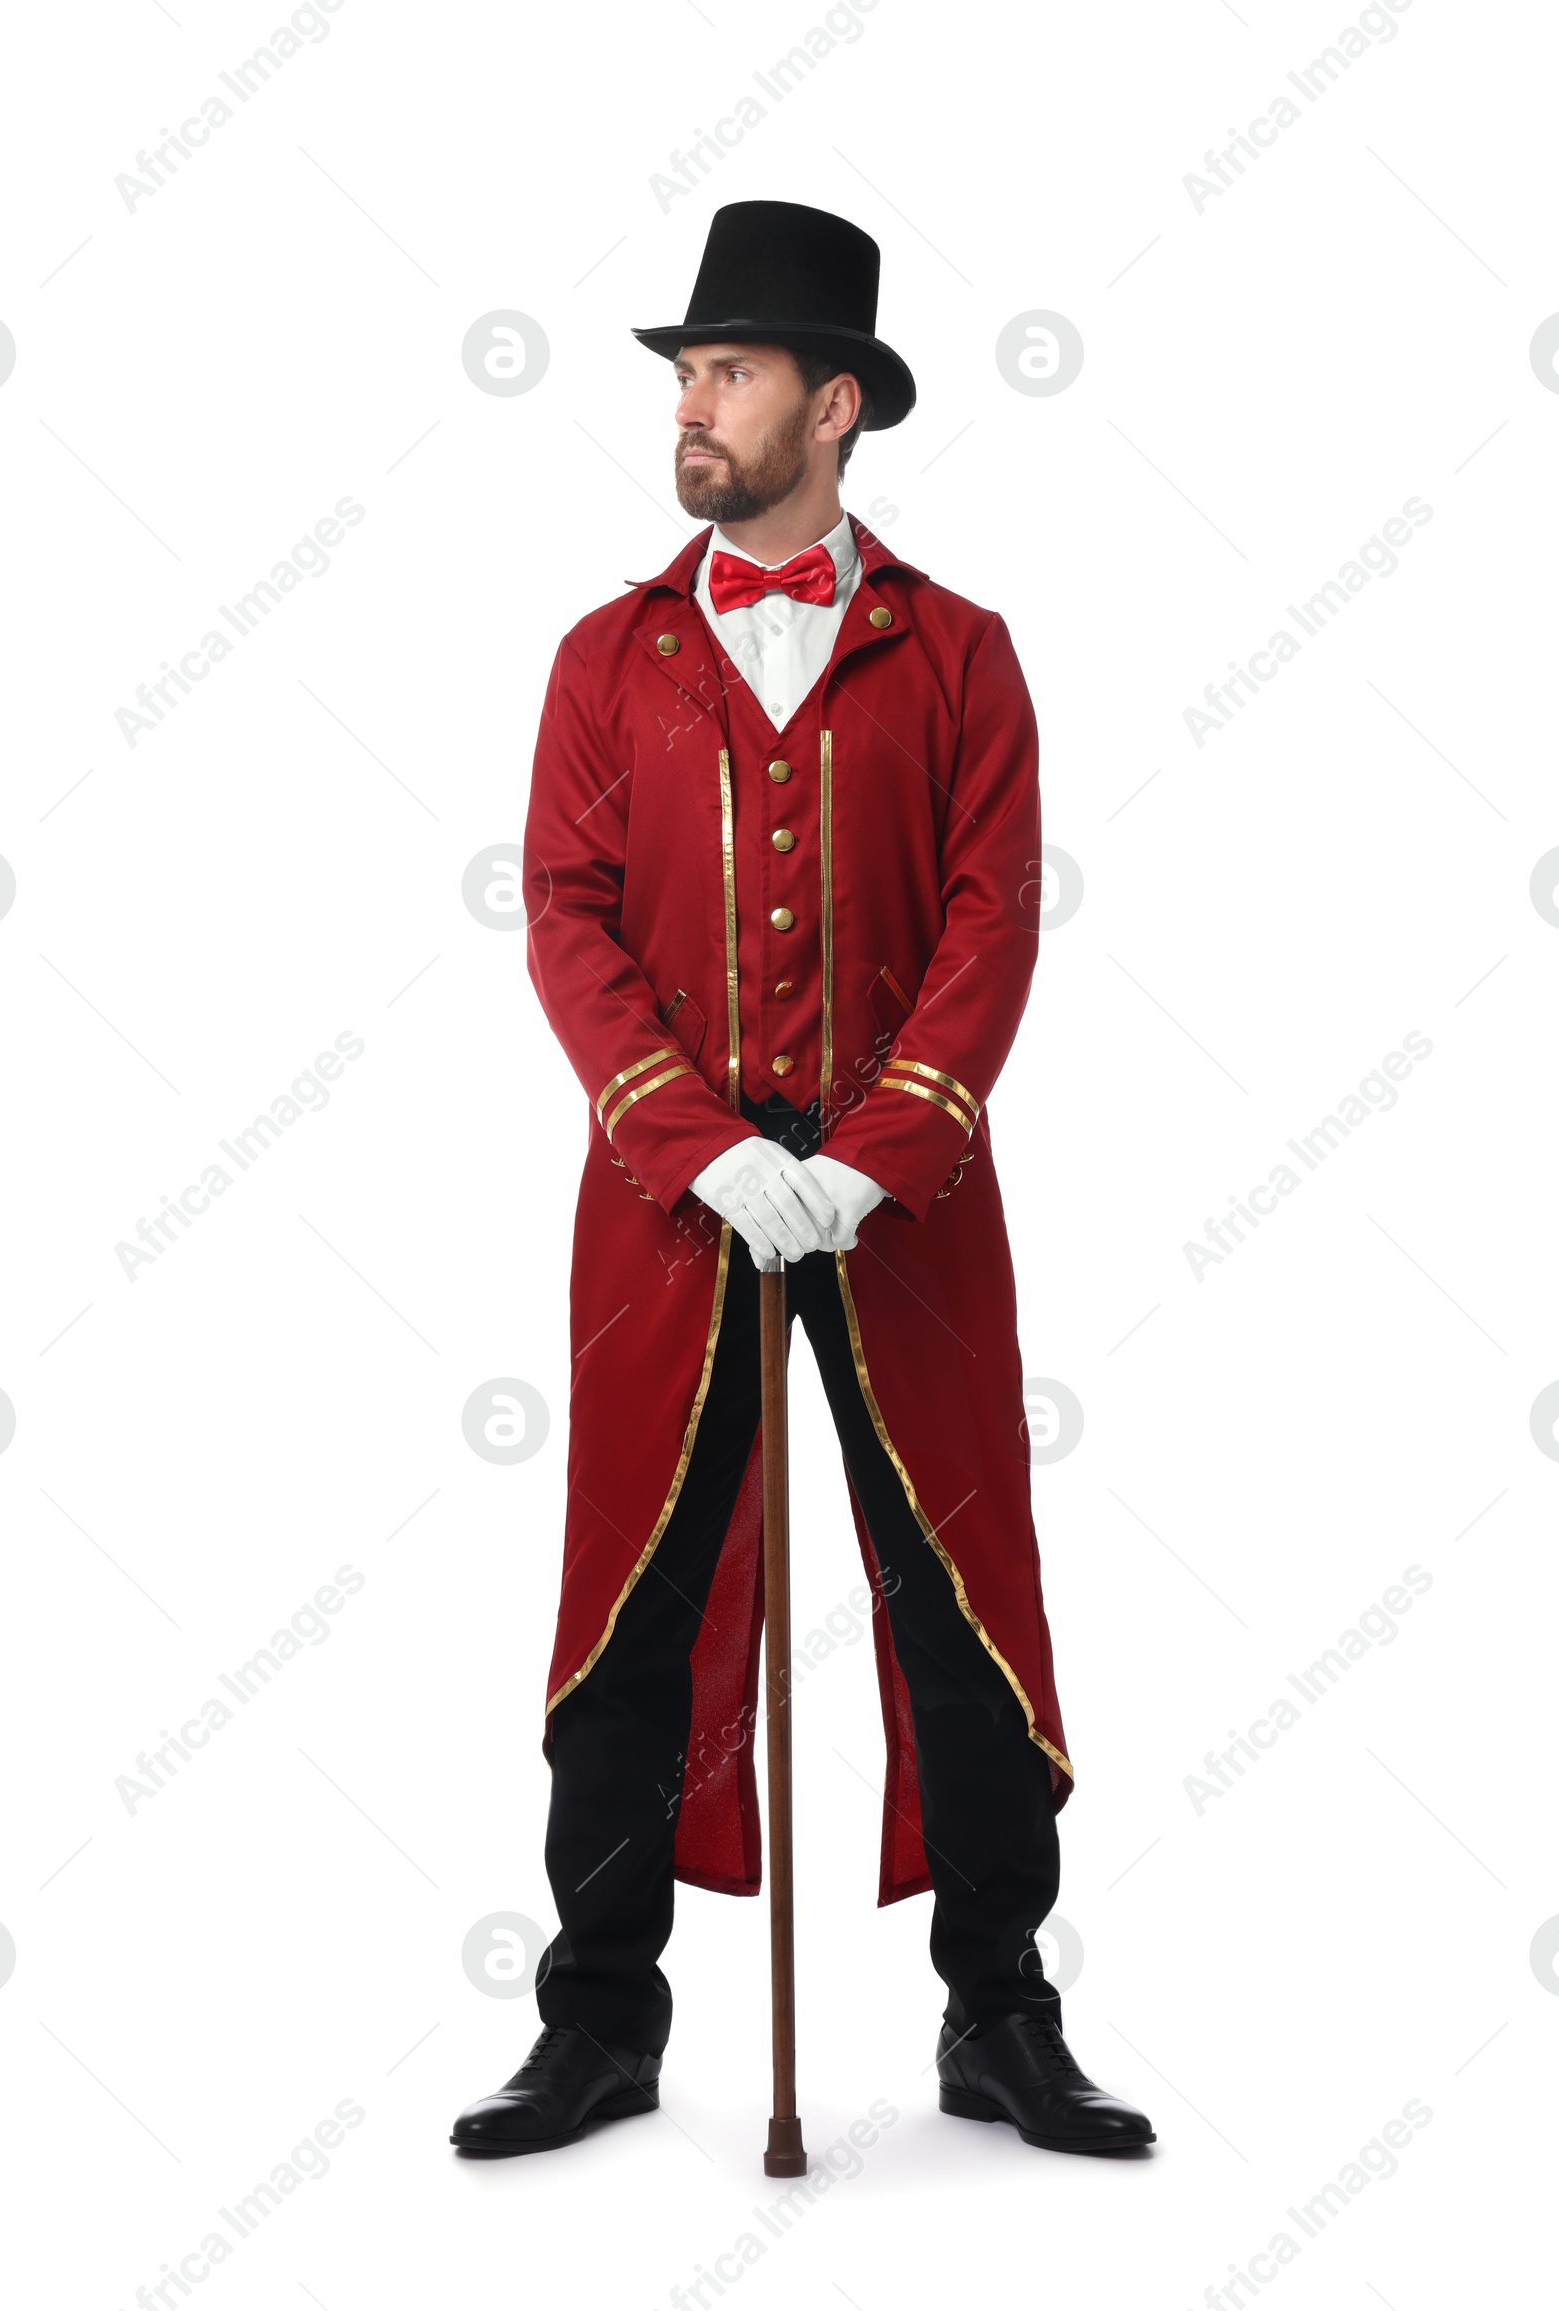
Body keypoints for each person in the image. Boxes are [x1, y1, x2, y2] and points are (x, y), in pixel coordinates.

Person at [451, 200, 1154, 2161]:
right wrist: (693, 1146)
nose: (692, 405)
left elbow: (986, 921)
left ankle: (997, 2016)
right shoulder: (603, 660)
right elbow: (568, 923)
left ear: (833, 407)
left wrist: (880, 1149)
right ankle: (593, 2017)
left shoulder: (962, 655)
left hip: (901, 1214)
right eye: (684, 373)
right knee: (633, 1595)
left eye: (731, 373)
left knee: (957, 1597)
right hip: (663, 1216)